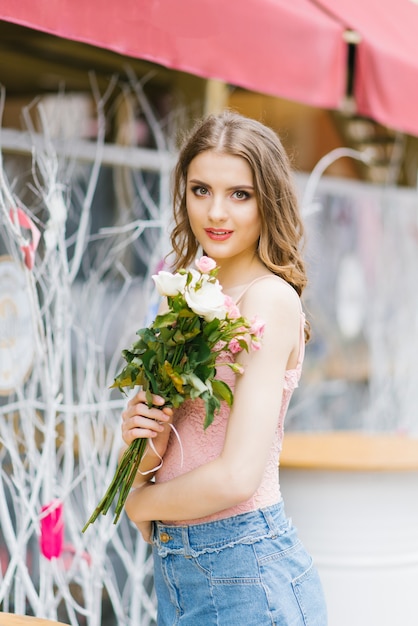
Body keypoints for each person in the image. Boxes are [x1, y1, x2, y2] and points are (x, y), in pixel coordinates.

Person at [120, 111, 328, 625]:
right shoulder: (186, 295)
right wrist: (139, 437)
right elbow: (173, 446)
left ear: (268, 200)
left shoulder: (269, 301)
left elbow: (238, 476)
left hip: (245, 571)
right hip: (183, 567)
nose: (216, 211)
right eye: (200, 189)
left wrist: (141, 505)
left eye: (240, 194)